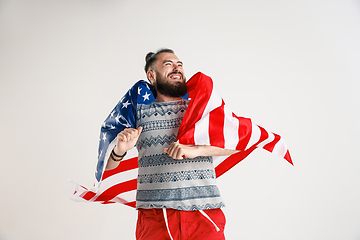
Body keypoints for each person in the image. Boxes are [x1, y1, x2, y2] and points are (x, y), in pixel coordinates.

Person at [105, 49, 239, 240]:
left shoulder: (201, 107)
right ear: (151, 75)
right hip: (154, 216)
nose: (177, 68)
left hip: (203, 213)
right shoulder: (138, 112)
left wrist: (196, 150)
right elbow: (108, 167)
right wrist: (119, 150)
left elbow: (236, 143)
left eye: (180, 64)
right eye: (168, 64)